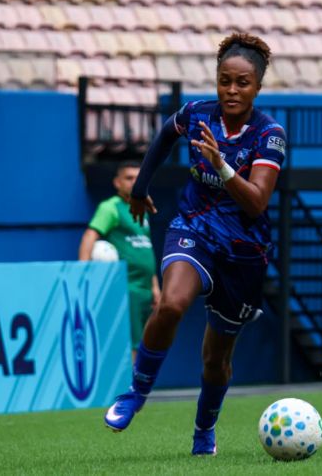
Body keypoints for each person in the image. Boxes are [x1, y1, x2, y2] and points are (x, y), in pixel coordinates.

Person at [103, 33, 286, 456]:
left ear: (258, 87)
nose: (232, 90)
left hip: (243, 252)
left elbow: (257, 202)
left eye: (242, 83)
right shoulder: (196, 114)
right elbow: (165, 136)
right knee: (170, 304)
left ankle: (204, 431)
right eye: (225, 81)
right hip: (195, 229)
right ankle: (136, 393)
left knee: (215, 360)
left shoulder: (269, 135)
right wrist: (140, 188)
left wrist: (221, 164)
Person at [79, 161, 161, 362]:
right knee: (132, 346)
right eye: (129, 178)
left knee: (145, 345)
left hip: (145, 290)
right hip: (127, 287)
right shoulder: (110, 207)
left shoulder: (142, 208)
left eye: (138, 178)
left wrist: (155, 287)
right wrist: (82, 274)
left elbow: (145, 247)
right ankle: (131, 383)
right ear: (117, 182)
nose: (134, 182)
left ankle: (137, 382)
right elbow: (90, 236)